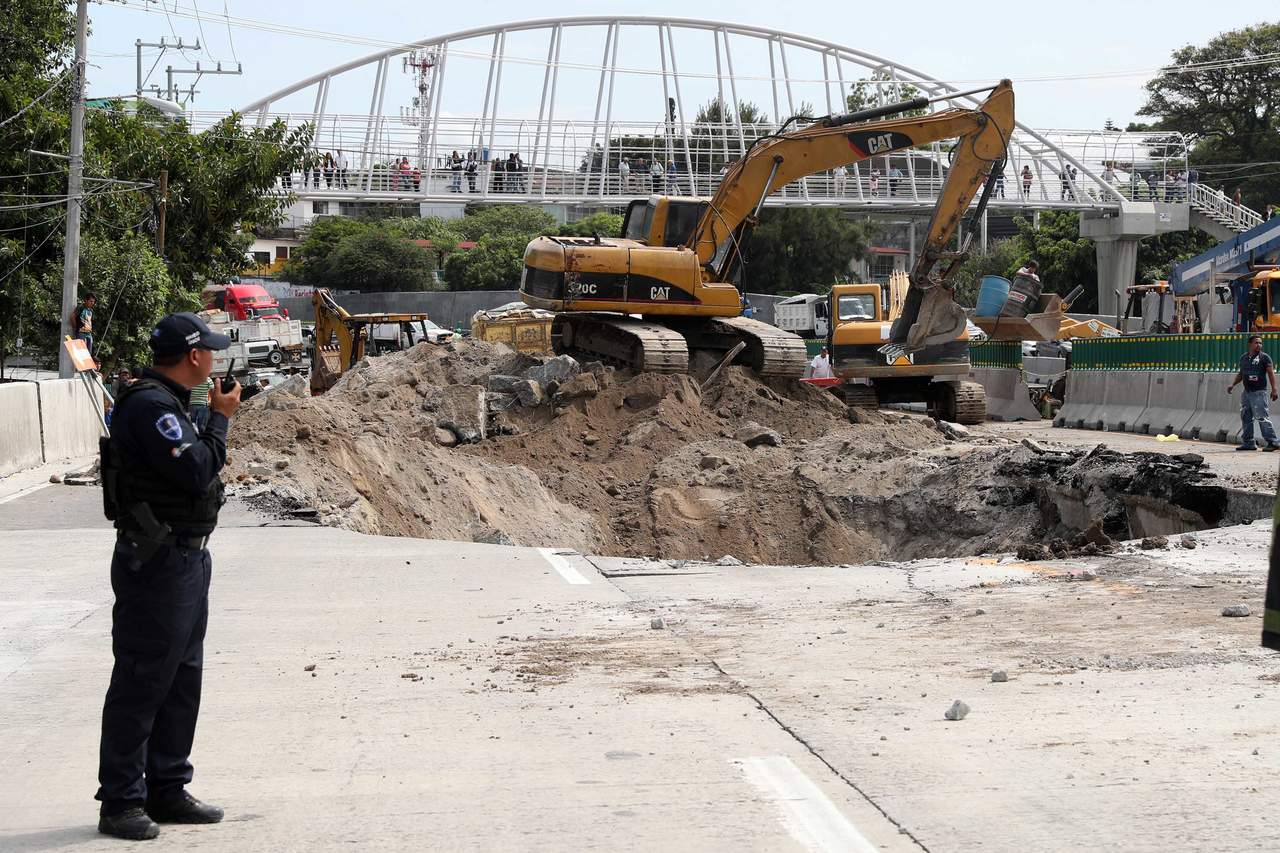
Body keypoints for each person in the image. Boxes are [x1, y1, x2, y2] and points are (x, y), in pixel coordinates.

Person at [95, 312, 240, 840]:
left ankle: (167, 786)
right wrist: (221, 418)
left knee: (181, 679)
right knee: (143, 679)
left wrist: (208, 416)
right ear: (194, 356)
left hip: (185, 559)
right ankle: (121, 800)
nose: (218, 361)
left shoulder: (171, 404)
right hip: (156, 560)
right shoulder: (152, 406)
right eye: (212, 352)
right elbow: (197, 468)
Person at [1227, 334, 1280, 451]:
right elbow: (1242, 374)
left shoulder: (1264, 358)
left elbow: (1271, 373)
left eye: (1260, 343)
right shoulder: (1244, 358)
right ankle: (1249, 442)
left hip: (1259, 392)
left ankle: (1273, 442)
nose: (1259, 345)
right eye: (1256, 343)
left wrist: (1274, 389)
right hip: (1247, 393)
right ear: (1250, 344)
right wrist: (1233, 384)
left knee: (1262, 417)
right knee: (1246, 417)